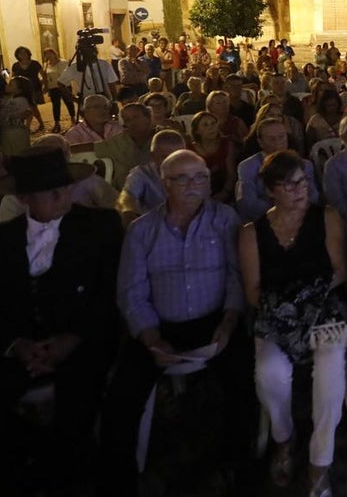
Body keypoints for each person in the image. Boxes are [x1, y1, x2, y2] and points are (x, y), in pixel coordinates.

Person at [98, 149, 253, 495]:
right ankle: (118, 480)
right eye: (181, 178)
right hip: (159, 324)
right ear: (163, 183)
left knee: (243, 383)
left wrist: (229, 322)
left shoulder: (224, 218)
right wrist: (151, 337)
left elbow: (236, 277)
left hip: (214, 319)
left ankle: (237, 465)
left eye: (200, 177)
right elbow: (131, 291)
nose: (193, 185)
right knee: (121, 396)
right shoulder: (142, 231)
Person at [0, 147, 122, 494]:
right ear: (23, 197)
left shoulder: (100, 227)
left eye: (64, 188)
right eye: (50, 191)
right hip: (23, 349)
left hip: (82, 345)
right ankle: (36, 471)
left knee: (75, 414)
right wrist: (16, 344)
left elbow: (110, 294)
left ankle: (55, 473)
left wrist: (73, 338)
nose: (61, 196)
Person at [238, 150, 347, 495]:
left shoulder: (327, 217)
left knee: (331, 376)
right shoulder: (251, 233)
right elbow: (253, 291)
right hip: (276, 315)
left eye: (302, 182)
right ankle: (283, 437)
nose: (299, 190)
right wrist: (286, 310)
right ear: (271, 190)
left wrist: (305, 300)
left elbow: (340, 271)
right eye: (288, 185)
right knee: (270, 372)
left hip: (321, 308)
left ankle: (320, 460)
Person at [236, 117, 319, 223]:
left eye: (281, 136)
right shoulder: (247, 167)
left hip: (301, 219)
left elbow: (313, 196)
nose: (278, 142)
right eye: (272, 139)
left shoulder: (305, 165)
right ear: (260, 142)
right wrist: (281, 212)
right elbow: (248, 204)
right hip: (265, 221)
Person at [117, 128, 186, 227]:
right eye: (164, 157)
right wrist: (128, 212)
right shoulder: (142, 173)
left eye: (177, 157)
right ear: (152, 156)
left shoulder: (193, 173)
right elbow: (127, 196)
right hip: (153, 229)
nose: (171, 162)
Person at [189, 110, 238, 204]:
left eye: (213, 123)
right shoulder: (190, 149)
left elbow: (232, 174)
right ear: (197, 131)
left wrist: (224, 194)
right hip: (199, 193)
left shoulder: (226, 144)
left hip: (224, 189)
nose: (211, 127)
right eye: (205, 125)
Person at [9, 47, 47, 132]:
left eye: (24, 53)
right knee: (23, 107)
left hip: (34, 88)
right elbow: (13, 77)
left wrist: (45, 85)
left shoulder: (35, 64)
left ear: (28, 53)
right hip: (21, 90)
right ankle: (27, 125)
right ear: (17, 55)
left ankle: (37, 124)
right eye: (20, 53)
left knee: (33, 106)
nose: (22, 55)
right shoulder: (15, 65)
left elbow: (43, 75)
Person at [41, 48, 76, 133]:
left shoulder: (63, 62)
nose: (48, 55)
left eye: (50, 53)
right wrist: (45, 86)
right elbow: (45, 76)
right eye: (46, 54)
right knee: (55, 105)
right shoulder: (46, 65)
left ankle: (73, 119)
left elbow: (66, 74)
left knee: (68, 102)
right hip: (53, 87)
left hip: (64, 86)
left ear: (54, 53)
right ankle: (57, 123)